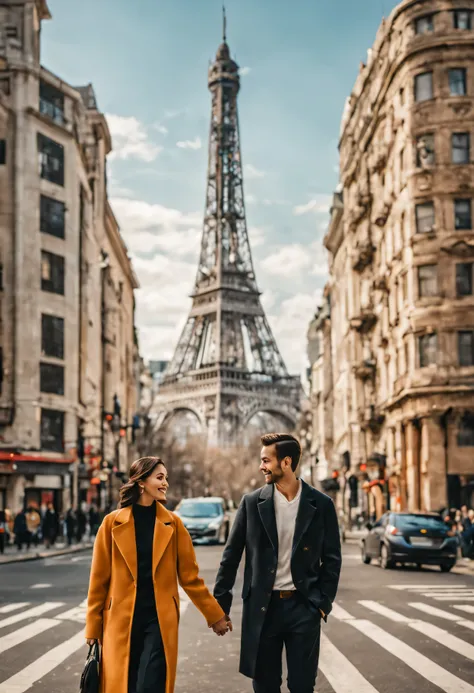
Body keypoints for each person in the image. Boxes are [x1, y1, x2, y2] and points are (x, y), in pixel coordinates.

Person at [85, 456, 230, 693]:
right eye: (160, 478)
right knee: (125, 684)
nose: (165, 484)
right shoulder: (111, 524)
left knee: (150, 684)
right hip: (120, 620)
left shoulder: (174, 524)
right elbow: (98, 579)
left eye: (166, 478)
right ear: (141, 482)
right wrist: (93, 626)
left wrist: (215, 616)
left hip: (159, 620)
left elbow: (190, 578)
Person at [214, 433, 342, 693]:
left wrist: (322, 603)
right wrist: (220, 606)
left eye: (265, 460)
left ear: (286, 462)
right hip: (263, 607)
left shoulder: (321, 504)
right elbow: (230, 557)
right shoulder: (251, 503)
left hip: (303, 607)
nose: (261, 466)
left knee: (303, 685)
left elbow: (332, 559)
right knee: (265, 686)